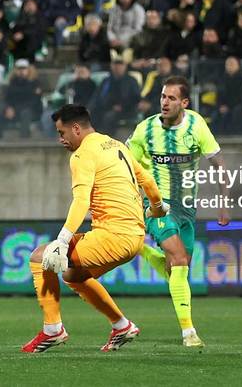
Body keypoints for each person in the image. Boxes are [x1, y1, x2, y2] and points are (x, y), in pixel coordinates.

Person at [22, 104, 167, 353]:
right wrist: (158, 207)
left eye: (62, 133)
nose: (60, 140)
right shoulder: (116, 145)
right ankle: (121, 325)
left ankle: (52, 330)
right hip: (134, 237)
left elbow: (82, 200)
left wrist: (63, 239)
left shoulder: (82, 155)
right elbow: (147, 180)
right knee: (73, 275)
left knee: (39, 257)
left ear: (76, 129)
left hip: (113, 235)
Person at [127, 76, 230, 347]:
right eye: (163, 96)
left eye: (171, 98)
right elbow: (125, 167)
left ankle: (142, 250)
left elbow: (219, 164)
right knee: (179, 259)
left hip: (187, 208)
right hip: (157, 206)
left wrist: (223, 202)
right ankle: (189, 333)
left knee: (178, 268)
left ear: (184, 102)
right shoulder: (144, 130)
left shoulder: (196, 126)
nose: (164, 102)